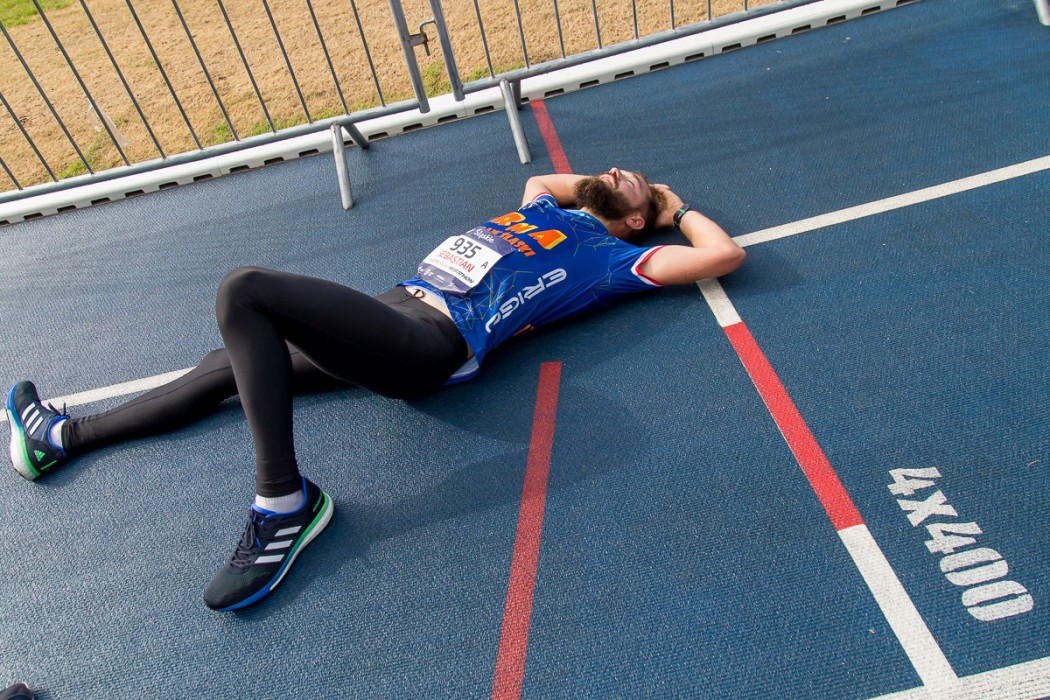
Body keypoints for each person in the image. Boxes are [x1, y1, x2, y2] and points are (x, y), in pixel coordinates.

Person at [5, 169, 745, 611]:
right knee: (223, 363)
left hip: (431, 344)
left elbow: (724, 255)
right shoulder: (547, 210)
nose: (615, 170)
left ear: (637, 218)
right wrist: (613, 189)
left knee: (244, 291)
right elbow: (553, 183)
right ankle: (60, 438)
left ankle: (284, 505)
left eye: (630, 180)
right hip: (392, 310)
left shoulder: (613, 257)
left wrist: (673, 207)